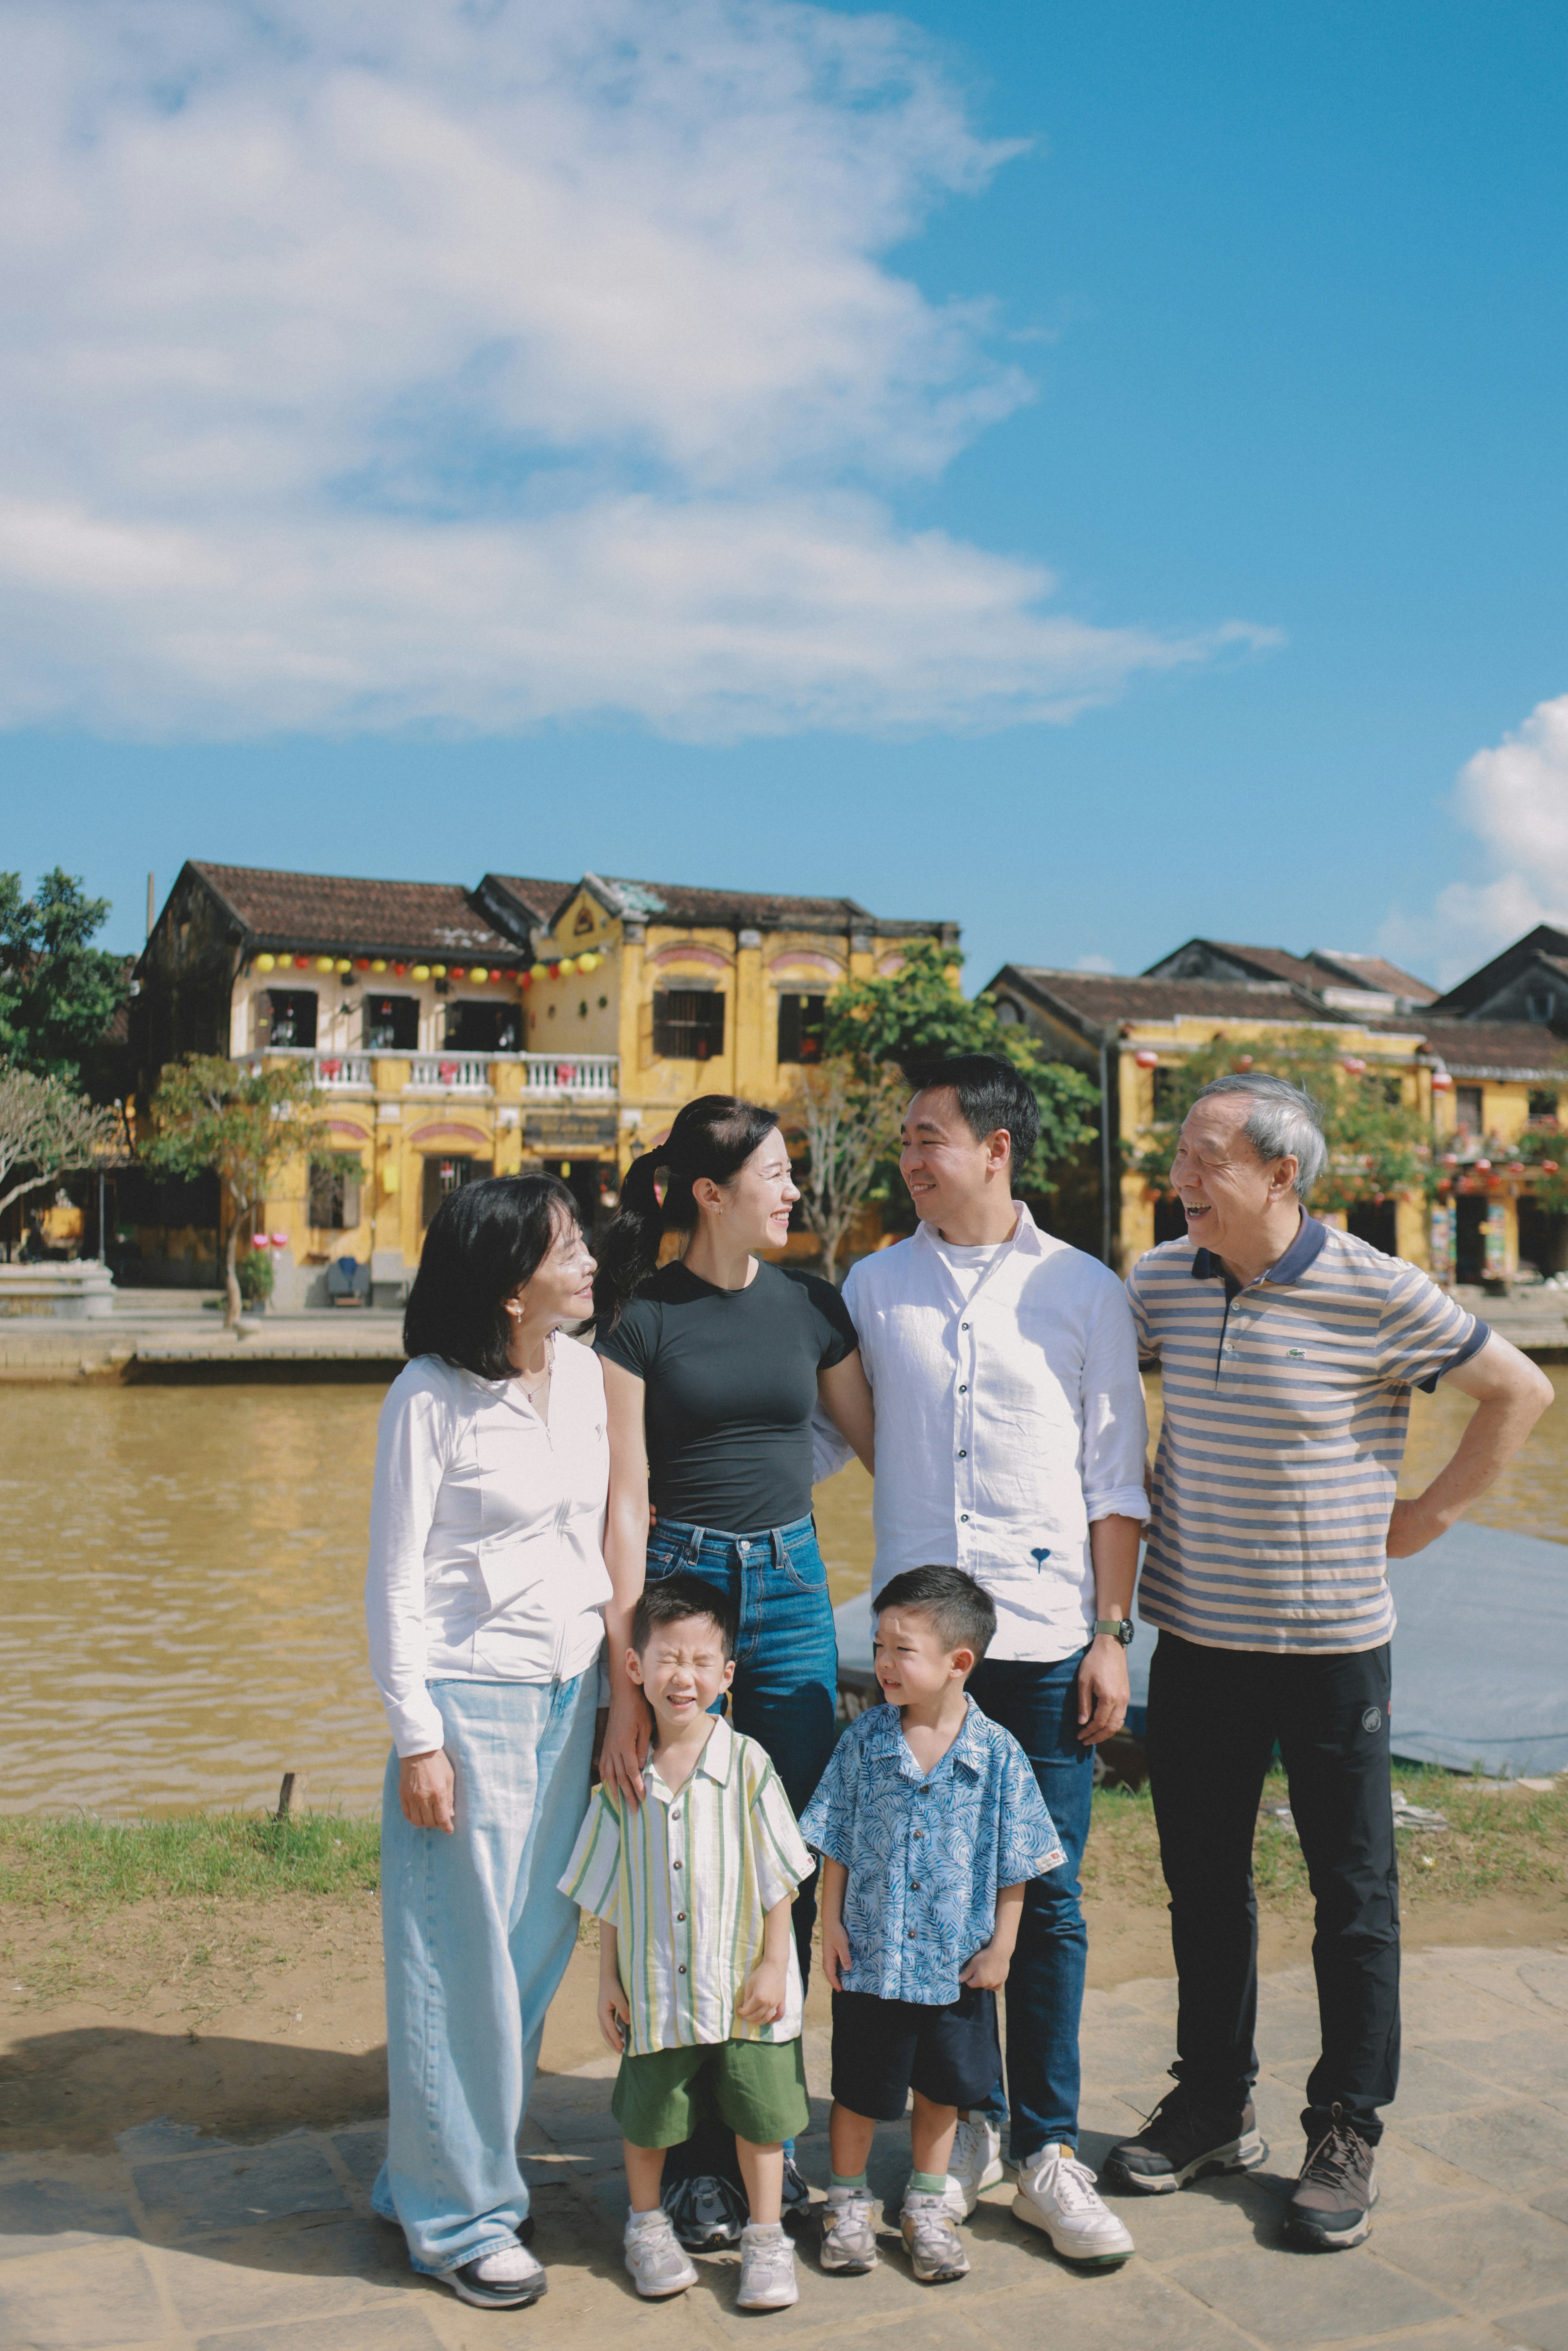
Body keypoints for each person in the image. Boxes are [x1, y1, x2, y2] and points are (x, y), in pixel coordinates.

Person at [1106, 1072, 1553, 2250]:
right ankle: (1210, 2099)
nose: (1179, 1179)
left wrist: (1425, 1516)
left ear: (1277, 1173)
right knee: (1202, 1884)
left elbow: (1516, 1389)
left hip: (1329, 1649)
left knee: (1351, 1897)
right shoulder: (1155, 1281)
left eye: (1204, 1158)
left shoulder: (1372, 1288)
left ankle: (1345, 2123)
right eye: (1179, 1157)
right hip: (1194, 1636)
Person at [836, 1053, 1148, 2265]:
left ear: (995, 1148)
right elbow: (837, 1426)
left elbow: (1113, 1478)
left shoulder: (1080, 1291)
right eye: (906, 1139)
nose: (911, 1157)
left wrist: (1111, 1636)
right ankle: (950, 2128)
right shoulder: (871, 1285)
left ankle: (1046, 2146)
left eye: (929, 1137)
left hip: (1040, 1634)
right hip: (922, 1645)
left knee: (1047, 1893)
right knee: (923, 1888)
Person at [592, 1095, 875, 2247]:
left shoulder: (812, 1306)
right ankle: (705, 2160)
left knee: (784, 1863)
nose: (794, 1191)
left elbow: (865, 1436)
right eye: (776, 1173)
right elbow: (621, 1503)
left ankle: (770, 2140)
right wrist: (626, 1684)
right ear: (710, 1193)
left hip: (797, 1593)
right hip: (683, 1601)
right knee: (682, 1861)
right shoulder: (638, 1319)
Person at [366, 1175, 624, 2311]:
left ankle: (425, 2169)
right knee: (454, 1962)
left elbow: (598, 1541)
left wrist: (621, 1691)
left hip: (570, 1695)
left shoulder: (583, 1379)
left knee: (527, 1953)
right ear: (505, 1281)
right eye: (563, 1249)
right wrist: (418, 1734)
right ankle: (461, 2219)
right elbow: (395, 1582)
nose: (587, 1261)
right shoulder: (428, 1398)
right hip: (469, 1704)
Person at [799, 1567, 1066, 2285]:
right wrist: (830, 1928)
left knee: (942, 2093)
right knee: (857, 2092)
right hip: (872, 1961)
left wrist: (1003, 1949)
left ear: (959, 1663)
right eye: (878, 1644)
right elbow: (837, 1843)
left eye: (902, 1649)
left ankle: (925, 2204)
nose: (884, 1662)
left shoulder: (999, 1755)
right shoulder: (863, 1744)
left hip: (954, 1970)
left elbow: (1019, 1863)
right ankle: (847, 2203)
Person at [560, 1574, 814, 2313]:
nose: (685, 1678)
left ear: (727, 1676)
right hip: (655, 1987)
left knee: (761, 2122)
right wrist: (607, 1981)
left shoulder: (748, 1766)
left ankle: (766, 2239)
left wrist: (776, 1963)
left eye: (703, 1663)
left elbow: (779, 1878)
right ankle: (646, 2228)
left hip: (742, 1990)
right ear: (635, 1668)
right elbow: (607, 1894)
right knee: (648, 2118)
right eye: (668, 1659)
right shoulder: (622, 1783)